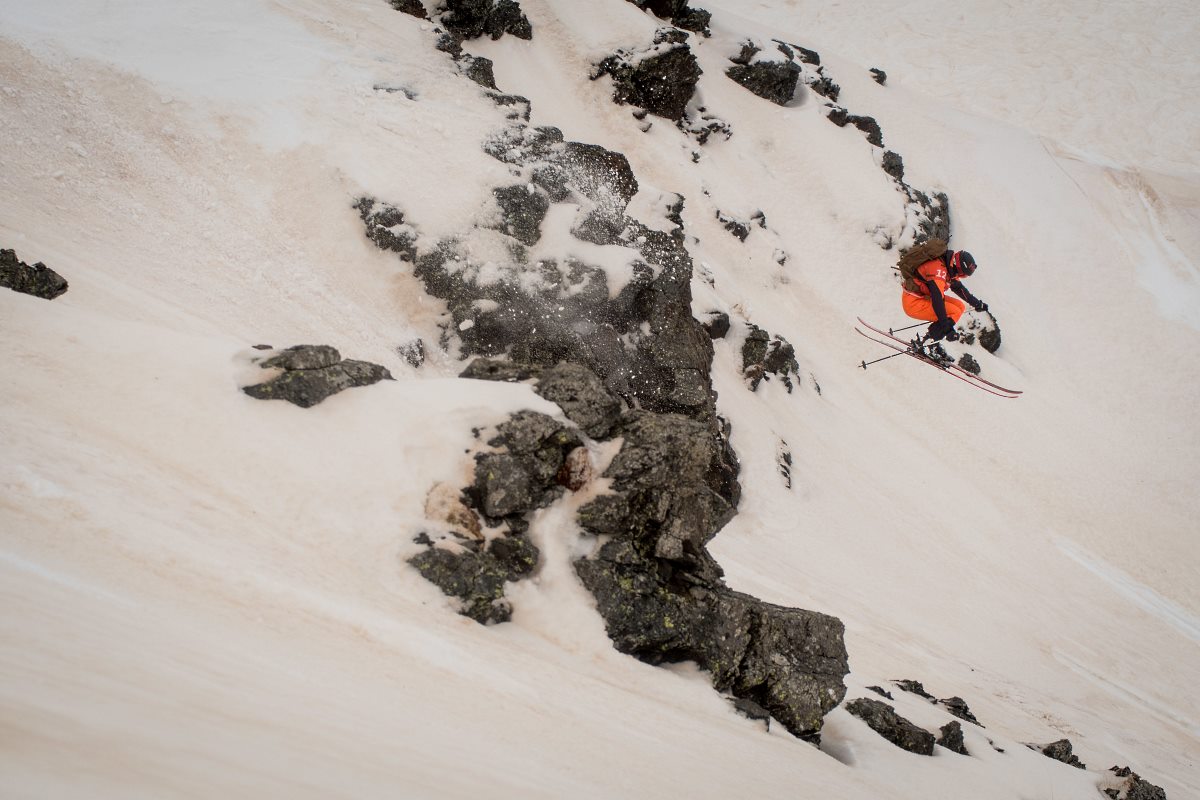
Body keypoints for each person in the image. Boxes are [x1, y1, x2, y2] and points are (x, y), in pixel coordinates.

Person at [901, 249, 988, 344]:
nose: (960, 276)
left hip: (922, 297)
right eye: (962, 274)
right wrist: (947, 330)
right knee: (954, 311)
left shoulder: (948, 266)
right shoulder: (938, 270)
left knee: (960, 306)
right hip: (913, 303)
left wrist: (977, 304)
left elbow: (959, 288)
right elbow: (938, 301)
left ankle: (930, 338)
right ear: (959, 267)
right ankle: (928, 342)